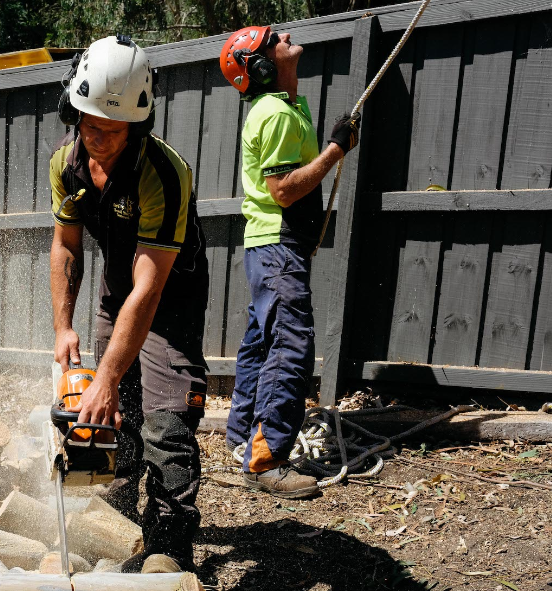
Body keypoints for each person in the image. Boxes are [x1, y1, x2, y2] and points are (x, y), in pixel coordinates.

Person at [49, 34, 209, 574]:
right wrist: (62, 326)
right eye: (88, 123)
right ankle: (113, 530)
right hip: (117, 293)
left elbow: (150, 287)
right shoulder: (66, 165)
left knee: (165, 424)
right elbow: (66, 246)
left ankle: (168, 550)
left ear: (137, 125)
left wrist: (109, 374)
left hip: (169, 297)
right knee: (113, 420)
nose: (96, 137)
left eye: (111, 130)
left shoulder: (164, 172)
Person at [219, 26, 361, 498]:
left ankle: (241, 436)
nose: (288, 36)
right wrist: (336, 151)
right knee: (290, 348)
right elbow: (283, 190)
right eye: (276, 39)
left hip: (268, 248)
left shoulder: (283, 108)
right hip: (278, 247)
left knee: (262, 343)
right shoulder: (276, 114)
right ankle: (265, 460)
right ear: (261, 66)